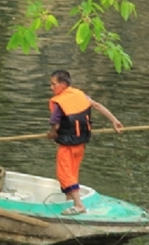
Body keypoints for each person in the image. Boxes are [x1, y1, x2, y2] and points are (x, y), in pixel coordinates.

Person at [47, 70, 123, 215]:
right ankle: (69, 199)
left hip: (67, 145)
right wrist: (114, 121)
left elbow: (55, 126)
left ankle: (78, 205)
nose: (51, 88)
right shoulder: (80, 95)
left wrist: (51, 134)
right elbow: (98, 106)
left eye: (53, 84)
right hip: (80, 145)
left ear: (63, 85)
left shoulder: (59, 102)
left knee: (64, 174)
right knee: (73, 172)